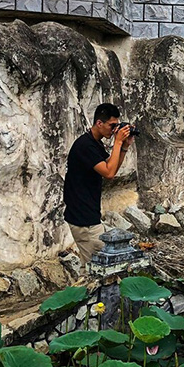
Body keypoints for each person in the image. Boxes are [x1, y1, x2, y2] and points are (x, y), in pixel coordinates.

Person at [63, 102, 134, 263]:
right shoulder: (85, 146)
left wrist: (124, 146)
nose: (114, 130)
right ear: (99, 123)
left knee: (89, 267)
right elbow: (109, 173)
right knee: (99, 267)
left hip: (86, 216)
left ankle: (83, 287)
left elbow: (111, 169)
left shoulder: (93, 143)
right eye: (112, 125)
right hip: (84, 220)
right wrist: (117, 142)